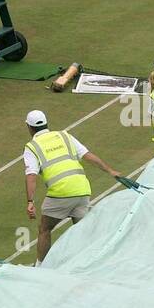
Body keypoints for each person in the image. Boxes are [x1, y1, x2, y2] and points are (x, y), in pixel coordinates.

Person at [23, 109, 123, 263]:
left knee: (45, 229)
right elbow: (87, 155)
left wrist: (30, 201)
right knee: (82, 230)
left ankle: (41, 266)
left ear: (29, 127)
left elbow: (31, 175)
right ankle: (91, 262)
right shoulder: (64, 135)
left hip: (60, 193)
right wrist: (110, 170)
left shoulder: (32, 147)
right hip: (82, 189)